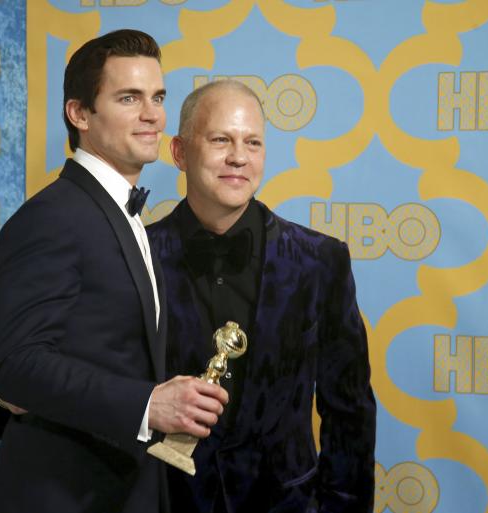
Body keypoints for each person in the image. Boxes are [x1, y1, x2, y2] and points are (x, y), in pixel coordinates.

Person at [0, 29, 228, 513]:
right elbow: (15, 368)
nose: (152, 115)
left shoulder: (120, 211)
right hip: (67, 494)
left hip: (123, 488)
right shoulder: (53, 216)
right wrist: (147, 405)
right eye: (128, 98)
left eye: (157, 97)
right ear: (79, 114)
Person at [146, 80, 376, 512]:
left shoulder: (320, 261)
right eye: (220, 140)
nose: (238, 156)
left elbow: (350, 413)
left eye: (252, 142)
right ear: (178, 152)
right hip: (165, 500)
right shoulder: (134, 256)